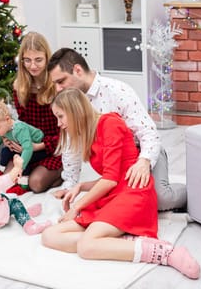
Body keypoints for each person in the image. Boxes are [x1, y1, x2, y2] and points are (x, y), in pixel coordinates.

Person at [41, 88, 200, 279]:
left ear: (75, 110)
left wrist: (77, 206)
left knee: (86, 247)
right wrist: (80, 186)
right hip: (114, 194)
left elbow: (110, 180)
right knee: (49, 236)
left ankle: (164, 253)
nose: (59, 124)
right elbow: (113, 176)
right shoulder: (90, 134)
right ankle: (113, 241)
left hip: (133, 193)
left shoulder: (109, 123)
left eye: (60, 117)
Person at [46, 47, 186, 211]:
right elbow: (72, 143)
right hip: (114, 164)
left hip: (142, 152)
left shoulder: (117, 90)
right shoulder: (70, 101)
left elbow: (148, 132)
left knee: (160, 200)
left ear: (77, 70)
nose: (57, 89)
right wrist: (70, 183)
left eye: (61, 81)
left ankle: (191, 193)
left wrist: (144, 162)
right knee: (114, 205)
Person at [6, 31, 63, 194]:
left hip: (53, 145)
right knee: (7, 180)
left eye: (38, 60)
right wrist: (9, 138)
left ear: (47, 59)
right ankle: (31, 171)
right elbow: (22, 123)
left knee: (36, 184)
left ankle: (60, 172)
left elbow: (67, 132)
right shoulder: (20, 86)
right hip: (29, 146)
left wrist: (38, 146)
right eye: (27, 60)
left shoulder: (57, 85)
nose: (32, 66)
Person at [0, 97, 46, 191]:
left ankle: (23, 184)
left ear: (8, 119)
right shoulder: (2, 127)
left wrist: (20, 167)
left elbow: (28, 149)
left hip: (38, 149)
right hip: (20, 148)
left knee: (21, 160)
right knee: (5, 151)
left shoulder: (19, 129)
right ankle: (1, 170)